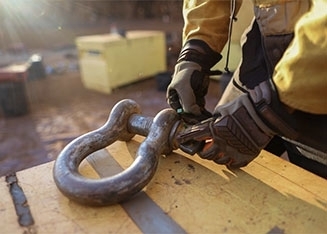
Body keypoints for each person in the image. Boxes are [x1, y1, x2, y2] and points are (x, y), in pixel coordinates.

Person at [166, 0, 327, 178]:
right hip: (263, 42)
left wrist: (268, 110)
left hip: (318, 68)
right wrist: (196, 49)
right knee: (213, 170)